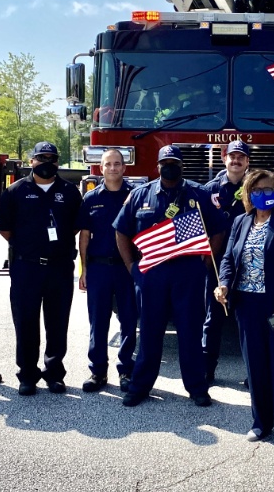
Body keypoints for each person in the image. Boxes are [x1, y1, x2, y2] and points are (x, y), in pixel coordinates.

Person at [115, 145, 226, 407]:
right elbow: (121, 231)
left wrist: (204, 262)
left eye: (174, 162)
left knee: (190, 332)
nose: (169, 166)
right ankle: (140, 386)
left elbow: (219, 230)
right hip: (152, 275)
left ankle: (197, 387)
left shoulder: (200, 194)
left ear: (182, 165)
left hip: (188, 274)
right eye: (165, 162)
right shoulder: (140, 195)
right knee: (150, 334)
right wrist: (132, 267)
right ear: (158, 165)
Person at [215, 169, 274, 450]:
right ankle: (261, 422)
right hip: (247, 305)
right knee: (255, 367)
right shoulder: (240, 222)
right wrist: (224, 284)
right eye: (258, 190)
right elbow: (229, 258)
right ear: (249, 194)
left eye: (269, 190)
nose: (264, 195)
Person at [0, 141, 82, 396]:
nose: (47, 163)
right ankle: (27, 375)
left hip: (59, 267)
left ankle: (54, 374)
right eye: (41, 158)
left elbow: (75, 226)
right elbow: (4, 228)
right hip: (26, 267)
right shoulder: (15, 191)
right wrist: (29, 245)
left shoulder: (69, 191)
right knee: (25, 323)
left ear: (57, 162)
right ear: (31, 161)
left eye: (52, 159)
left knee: (57, 323)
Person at [76, 148, 137, 393]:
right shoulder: (91, 199)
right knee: (98, 322)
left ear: (124, 168)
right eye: (108, 164)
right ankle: (98, 372)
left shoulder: (134, 196)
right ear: (100, 168)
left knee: (129, 321)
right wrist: (83, 270)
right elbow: (84, 236)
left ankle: (126, 371)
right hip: (99, 267)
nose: (112, 168)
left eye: (117, 164)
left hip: (127, 268)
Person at [202, 139, 251, 383]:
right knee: (213, 318)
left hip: (249, 263)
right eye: (232, 156)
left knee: (252, 321)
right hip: (218, 262)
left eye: (241, 156)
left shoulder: (256, 189)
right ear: (224, 158)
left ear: (247, 162)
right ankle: (206, 370)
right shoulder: (209, 190)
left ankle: (255, 374)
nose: (236, 160)